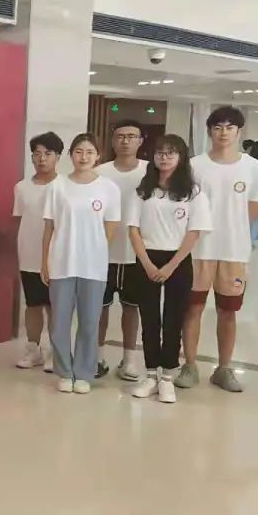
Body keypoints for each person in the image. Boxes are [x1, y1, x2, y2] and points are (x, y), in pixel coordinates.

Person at [177, 107, 258, 392]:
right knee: (193, 308)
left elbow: (253, 209)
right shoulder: (194, 166)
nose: (224, 132)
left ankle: (224, 368)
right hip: (198, 250)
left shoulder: (253, 167)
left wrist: (233, 230)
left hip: (234, 251)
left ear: (239, 131)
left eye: (229, 127)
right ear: (209, 131)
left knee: (228, 311)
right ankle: (190, 365)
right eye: (218, 127)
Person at [126, 135, 211, 403]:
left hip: (178, 259)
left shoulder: (193, 193)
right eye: (160, 152)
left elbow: (194, 233)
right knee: (150, 318)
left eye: (170, 153)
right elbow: (133, 229)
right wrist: (147, 263)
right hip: (146, 257)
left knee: (174, 319)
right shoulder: (143, 191)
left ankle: (167, 378)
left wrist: (171, 266)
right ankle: (151, 374)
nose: (164, 157)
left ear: (181, 157)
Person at [41, 134, 121, 395]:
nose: (83, 157)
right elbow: (49, 227)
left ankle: (84, 372)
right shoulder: (57, 186)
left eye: (89, 152)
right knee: (59, 323)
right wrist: (45, 262)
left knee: (89, 322)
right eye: (78, 151)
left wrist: (95, 249)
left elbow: (111, 226)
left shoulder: (108, 188)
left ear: (98, 156)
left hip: (93, 265)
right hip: (61, 261)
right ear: (70, 155)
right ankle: (64, 372)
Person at [95, 120, 148, 381]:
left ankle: (129, 360)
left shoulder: (150, 172)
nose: (125, 141)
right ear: (113, 140)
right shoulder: (99, 172)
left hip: (136, 254)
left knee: (131, 308)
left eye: (131, 136)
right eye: (120, 136)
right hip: (102, 253)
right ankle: (97, 357)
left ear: (140, 141)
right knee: (99, 308)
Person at [13, 131, 62, 371]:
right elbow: (19, 220)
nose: (42, 158)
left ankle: (55, 352)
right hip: (29, 256)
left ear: (58, 157)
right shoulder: (21, 187)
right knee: (32, 305)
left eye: (48, 153)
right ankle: (33, 351)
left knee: (55, 307)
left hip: (57, 257)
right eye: (37, 154)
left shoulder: (64, 186)